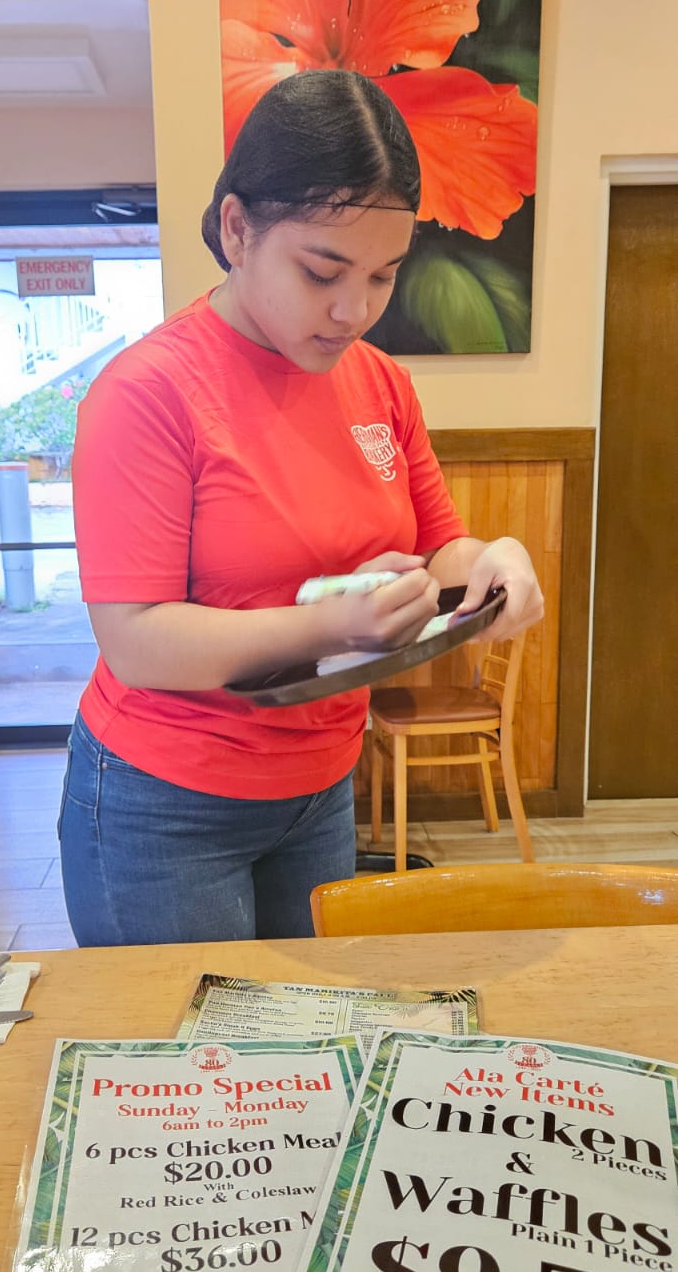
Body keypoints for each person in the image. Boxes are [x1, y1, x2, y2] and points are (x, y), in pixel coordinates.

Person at [60, 69, 543, 947]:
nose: (353, 310)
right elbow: (136, 640)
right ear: (238, 228)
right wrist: (332, 626)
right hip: (165, 803)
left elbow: (440, 547)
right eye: (321, 271)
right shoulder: (149, 393)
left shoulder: (378, 382)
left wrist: (492, 558)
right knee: (199, 1067)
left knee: (308, 1041)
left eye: (383, 276)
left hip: (319, 784)